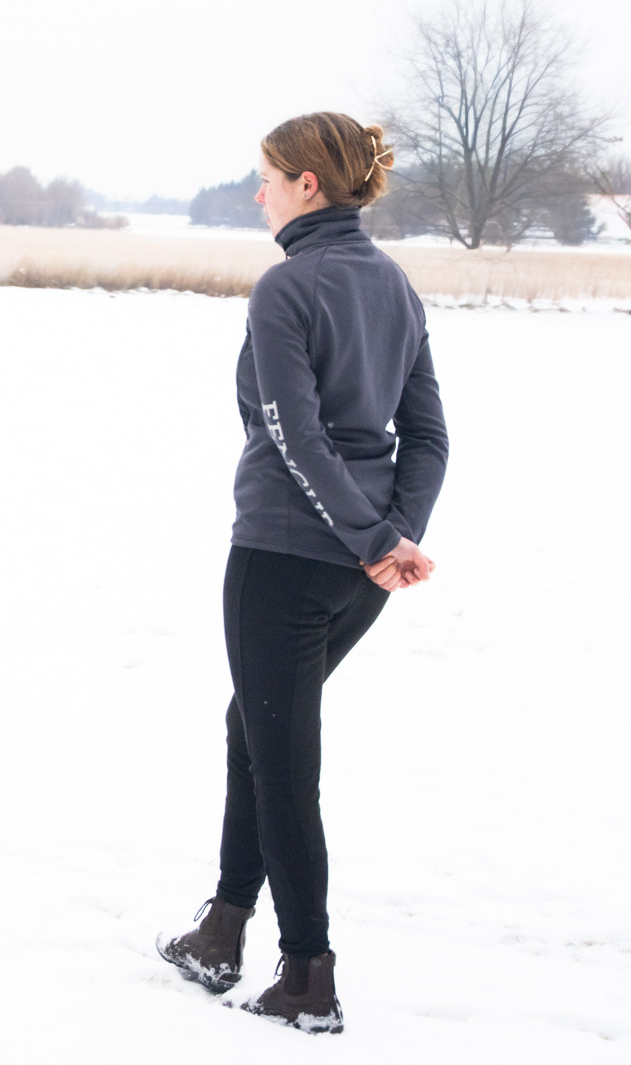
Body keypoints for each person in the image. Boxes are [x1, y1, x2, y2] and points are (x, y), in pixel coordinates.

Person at [156, 113, 449, 1033]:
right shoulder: (394, 284)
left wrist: (374, 536)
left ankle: (307, 975)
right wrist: (392, 537)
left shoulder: (287, 288)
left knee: (283, 760)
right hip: (359, 572)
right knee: (256, 720)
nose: (261, 192)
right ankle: (222, 925)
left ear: (308, 186)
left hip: (285, 557)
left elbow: (294, 433)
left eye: (269, 177)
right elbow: (429, 435)